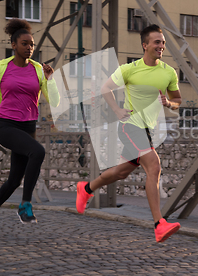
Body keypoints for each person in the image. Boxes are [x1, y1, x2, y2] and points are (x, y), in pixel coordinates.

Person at [76, 24, 182, 243]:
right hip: (130, 126)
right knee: (154, 166)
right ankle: (159, 224)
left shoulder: (168, 72)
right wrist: (116, 110)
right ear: (145, 45)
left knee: (120, 173)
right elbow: (105, 89)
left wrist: (169, 103)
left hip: (147, 130)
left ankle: (86, 188)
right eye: (156, 42)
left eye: (162, 42)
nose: (161, 46)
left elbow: (178, 101)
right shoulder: (130, 69)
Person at [0, 18, 60, 235]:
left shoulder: (38, 70)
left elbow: (54, 101)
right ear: (14, 45)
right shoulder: (1, 69)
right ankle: (25, 204)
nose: (29, 48)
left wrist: (51, 79)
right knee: (38, 151)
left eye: (32, 44)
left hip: (28, 126)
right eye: (25, 44)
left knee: (14, 180)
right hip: (6, 126)